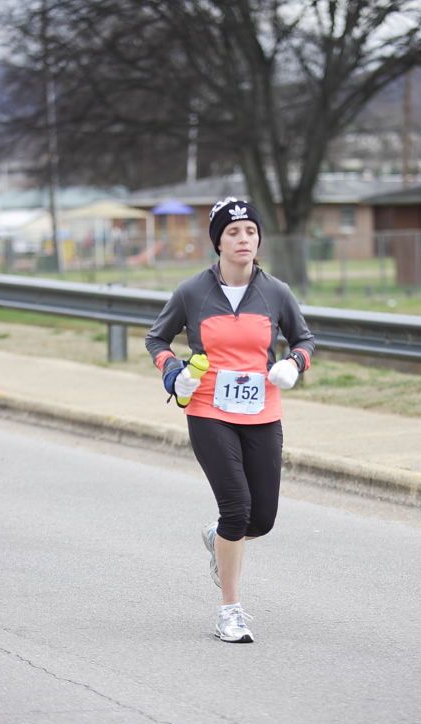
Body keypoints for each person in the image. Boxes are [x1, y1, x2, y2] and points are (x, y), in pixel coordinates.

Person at [145, 197, 314, 643]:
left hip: (263, 412)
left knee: (261, 520)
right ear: (218, 241)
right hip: (207, 409)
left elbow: (305, 338)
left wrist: (295, 363)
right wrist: (172, 372)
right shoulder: (192, 292)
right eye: (234, 233)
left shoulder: (275, 292)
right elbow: (156, 337)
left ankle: (219, 537)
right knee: (236, 509)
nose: (244, 239)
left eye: (251, 232)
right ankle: (230, 612)